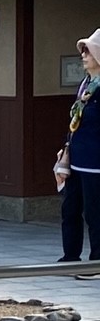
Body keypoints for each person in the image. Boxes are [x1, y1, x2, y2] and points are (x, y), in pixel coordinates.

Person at [60, 29, 100, 271]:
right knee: (70, 209)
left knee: (95, 215)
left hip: (95, 162)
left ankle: (96, 262)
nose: (83, 55)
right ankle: (69, 258)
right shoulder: (86, 84)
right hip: (76, 157)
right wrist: (66, 147)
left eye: (88, 50)